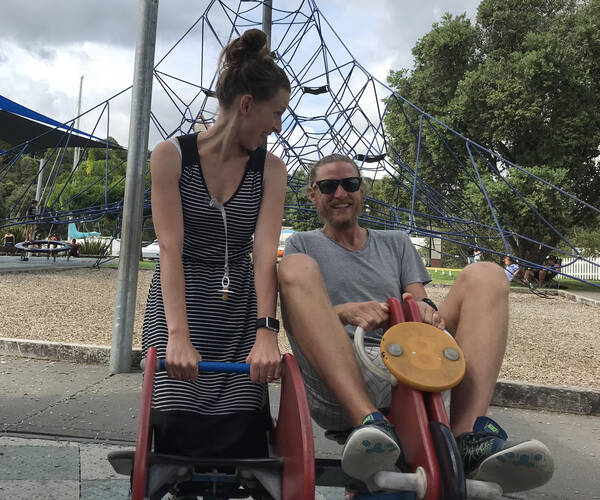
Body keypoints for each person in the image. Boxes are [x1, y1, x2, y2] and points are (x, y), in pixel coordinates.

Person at [278, 154, 554, 492]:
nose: (340, 193)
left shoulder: (395, 242)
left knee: (488, 274)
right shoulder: (302, 244)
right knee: (293, 268)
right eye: (328, 186)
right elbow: (297, 312)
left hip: (407, 358)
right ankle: (369, 420)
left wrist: (424, 309)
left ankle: (467, 436)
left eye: (349, 184)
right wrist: (344, 312)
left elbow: (416, 298)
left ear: (361, 190)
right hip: (341, 367)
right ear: (312, 194)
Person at [142, 29, 290, 461]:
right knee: (175, 424)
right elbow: (170, 250)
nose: (279, 125)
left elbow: (265, 254)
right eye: (276, 111)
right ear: (247, 104)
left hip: (238, 303)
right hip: (181, 299)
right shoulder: (171, 156)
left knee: (244, 427)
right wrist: (178, 336)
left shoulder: (270, 169)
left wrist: (267, 334)